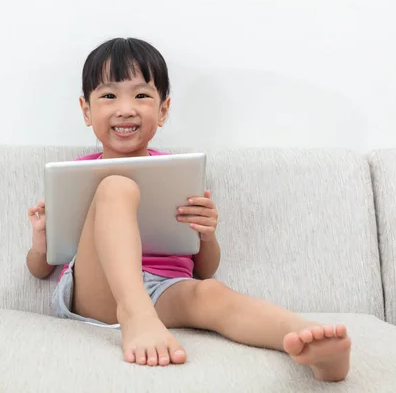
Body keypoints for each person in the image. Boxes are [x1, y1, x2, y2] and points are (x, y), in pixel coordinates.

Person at [26, 37, 351, 381]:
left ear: (163, 110)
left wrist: (207, 236)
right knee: (115, 185)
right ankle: (135, 316)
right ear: (86, 110)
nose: (125, 108)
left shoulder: (180, 174)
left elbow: (205, 271)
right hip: (97, 294)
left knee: (211, 293)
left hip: (165, 290)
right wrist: (41, 241)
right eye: (109, 96)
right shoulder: (74, 174)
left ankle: (310, 341)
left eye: (141, 96)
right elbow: (38, 269)